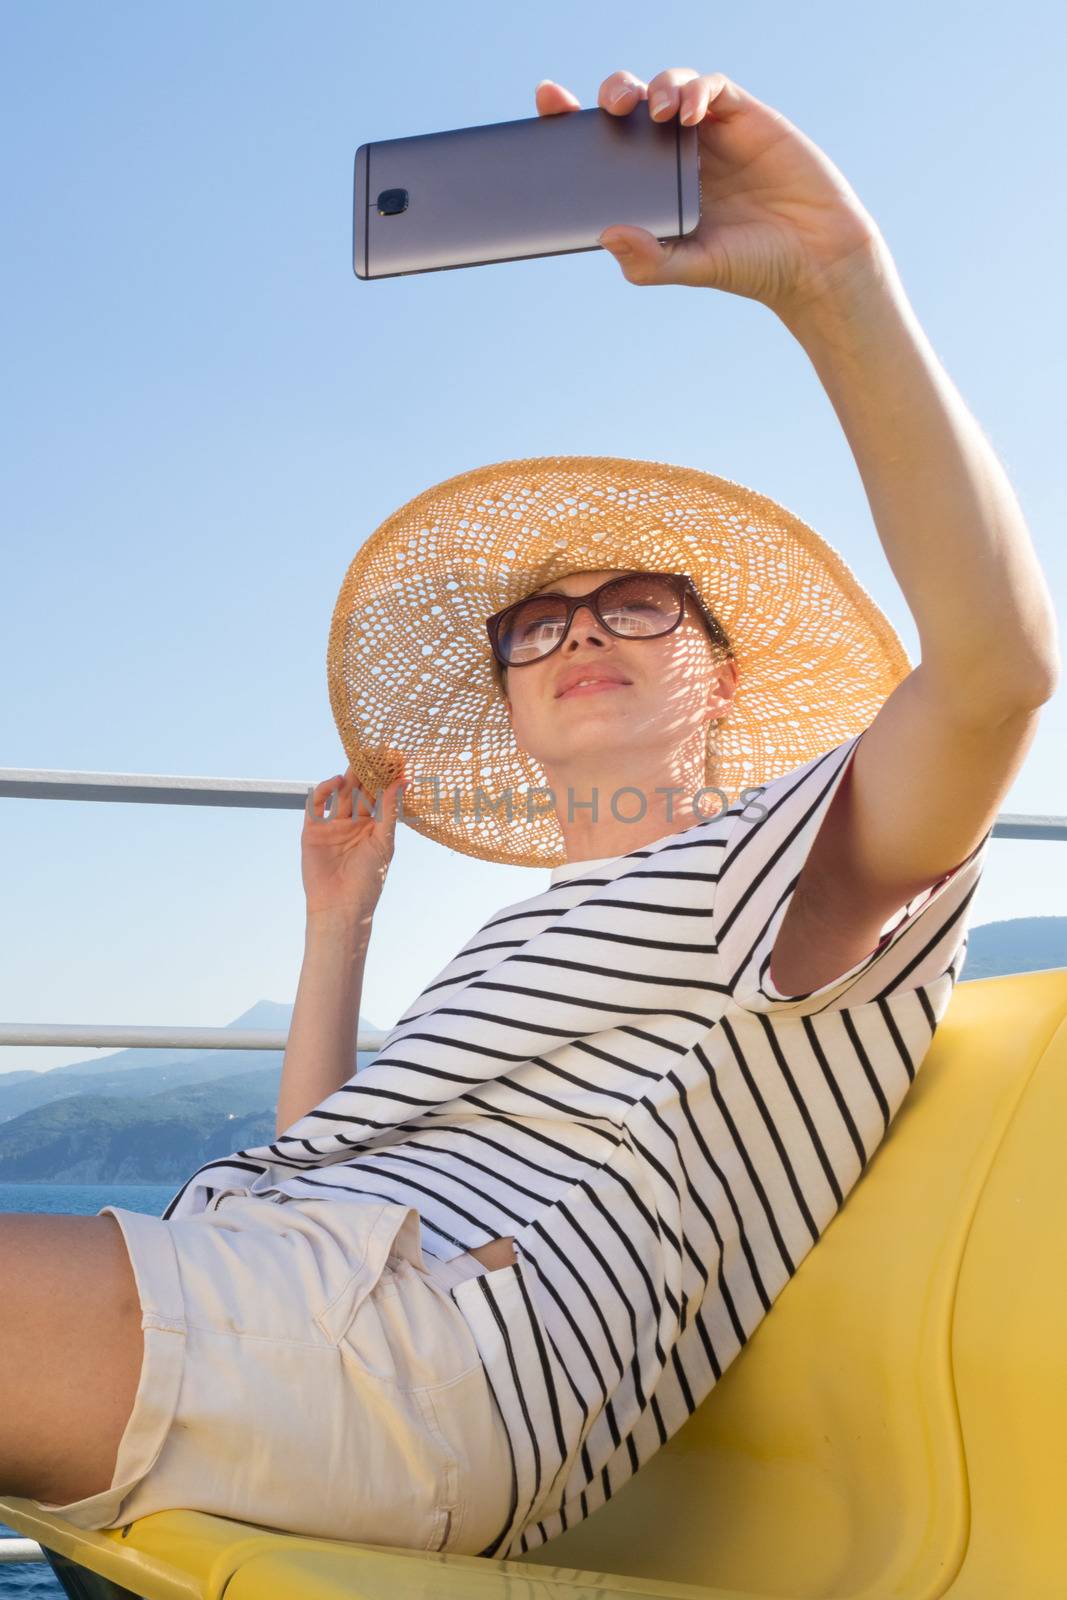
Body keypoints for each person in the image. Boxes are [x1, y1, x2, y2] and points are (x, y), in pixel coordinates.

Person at [2, 65, 1057, 1566]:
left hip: (434, 1363)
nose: (578, 635)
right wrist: (339, 924)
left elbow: (996, 677)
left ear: (722, 673)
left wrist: (835, 281)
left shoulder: (768, 876)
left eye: (636, 605)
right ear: (508, 701)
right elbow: (339, 1163)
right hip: (296, 1292)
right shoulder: (527, 938)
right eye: (537, 626)